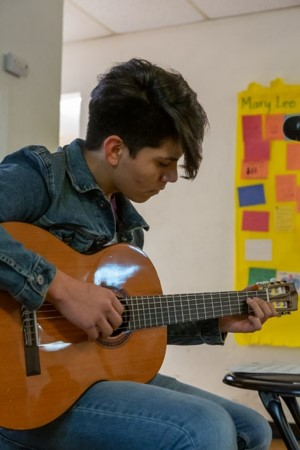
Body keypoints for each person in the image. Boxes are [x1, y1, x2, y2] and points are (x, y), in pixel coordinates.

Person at [0, 58, 276, 450]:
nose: (171, 177)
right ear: (115, 149)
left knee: (252, 427)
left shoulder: (127, 227)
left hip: (88, 382)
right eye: (163, 163)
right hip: (25, 394)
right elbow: (67, 297)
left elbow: (129, 323)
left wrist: (216, 321)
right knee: (204, 427)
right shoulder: (42, 176)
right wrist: (60, 288)